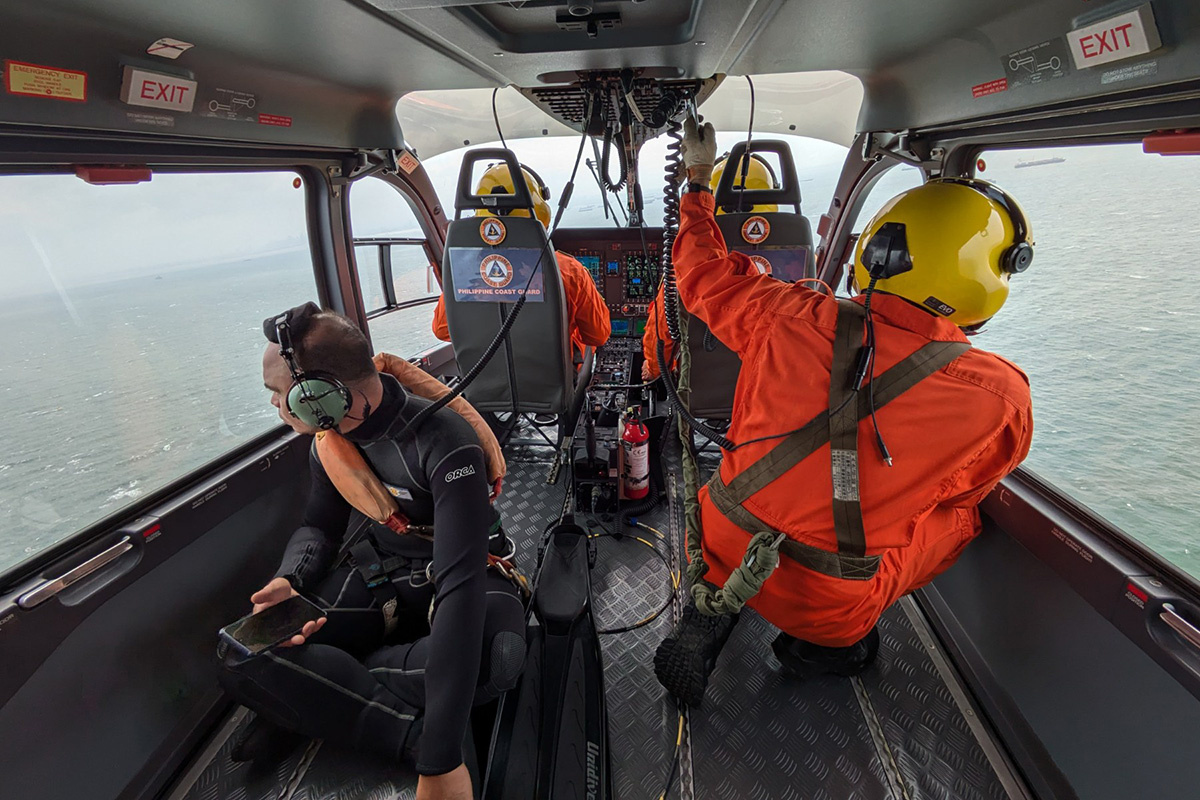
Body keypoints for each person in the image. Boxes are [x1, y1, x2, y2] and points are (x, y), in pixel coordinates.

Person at [653, 119, 1034, 706]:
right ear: (988, 276)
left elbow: (701, 275)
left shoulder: (785, 311)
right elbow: (962, 492)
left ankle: (723, 598)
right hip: (825, 601)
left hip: (719, 540)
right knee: (961, 521)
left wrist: (699, 182)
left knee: (753, 521)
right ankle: (816, 649)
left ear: (876, 250)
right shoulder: (1000, 397)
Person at [218, 303, 527, 800]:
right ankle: (404, 731)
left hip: (468, 574)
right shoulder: (328, 441)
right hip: (381, 576)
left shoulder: (446, 440)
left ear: (320, 395)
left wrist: (443, 763)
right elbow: (319, 527)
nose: (275, 405)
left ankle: (318, 697)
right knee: (240, 652)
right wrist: (290, 580)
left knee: (498, 657)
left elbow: (460, 588)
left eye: (280, 394)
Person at [432, 162, 611, 364]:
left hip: (483, 390)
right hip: (555, 389)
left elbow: (442, 330)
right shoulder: (568, 271)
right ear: (538, 209)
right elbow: (598, 335)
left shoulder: (463, 274)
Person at [641, 153, 778, 381]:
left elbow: (661, 334)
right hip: (768, 390)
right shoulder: (802, 265)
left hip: (699, 397)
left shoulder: (688, 273)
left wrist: (654, 368)